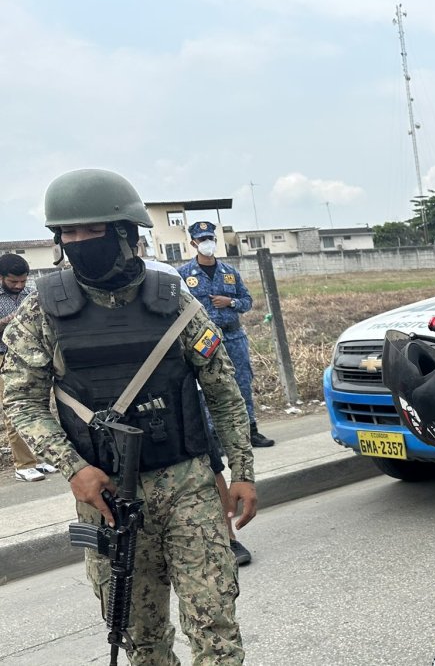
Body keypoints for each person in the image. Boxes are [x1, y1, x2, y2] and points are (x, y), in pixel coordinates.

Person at [1, 168, 258, 664]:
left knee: (217, 633)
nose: (78, 241)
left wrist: (242, 471)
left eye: (91, 230)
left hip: (189, 484)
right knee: (142, 639)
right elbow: (23, 403)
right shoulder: (41, 311)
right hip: (109, 496)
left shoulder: (173, 299)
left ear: (124, 232)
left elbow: (224, 393)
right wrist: (74, 470)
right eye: (67, 233)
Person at [177, 222, 274, 448]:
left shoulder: (229, 272)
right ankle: (215, 437)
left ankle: (251, 430)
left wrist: (230, 301)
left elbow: (247, 302)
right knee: (208, 386)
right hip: (204, 340)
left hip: (233, 336)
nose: (207, 243)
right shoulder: (183, 275)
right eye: (202, 240)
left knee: (242, 383)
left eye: (210, 238)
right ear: (193, 243)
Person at [1, 253, 59, 481]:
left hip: (33, 359)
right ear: (1, 277)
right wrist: (9, 321)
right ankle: (23, 464)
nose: (19, 285)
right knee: (15, 411)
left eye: (23, 281)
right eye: (13, 281)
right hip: (4, 358)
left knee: (40, 408)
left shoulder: (31, 294)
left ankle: (42, 459)